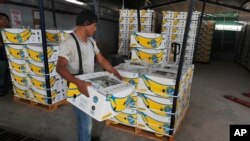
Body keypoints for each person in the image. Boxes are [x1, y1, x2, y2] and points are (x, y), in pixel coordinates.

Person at [56, 9, 121, 141]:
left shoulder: (91, 42)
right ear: (86, 23)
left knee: (89, 115)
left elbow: (101, 60)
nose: (95, 29)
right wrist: (78, 82)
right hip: (77, 85)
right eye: (94, 25)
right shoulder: (68, 42)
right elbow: (60, 67)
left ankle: (87, 137)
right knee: (84, 120)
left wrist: (116, 74)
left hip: (90, 84)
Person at [0, 12, 11, 96]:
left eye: (6, 19)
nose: (4, 21)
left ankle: (9, 88)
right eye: (1, 19)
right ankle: (2, 89)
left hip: (12, 56)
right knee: (2, 74)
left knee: (10, 74)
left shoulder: (11, 30)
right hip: (1, 57)